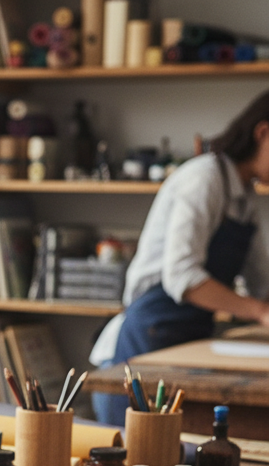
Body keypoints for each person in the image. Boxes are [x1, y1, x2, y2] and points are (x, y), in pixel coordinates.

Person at [90, 89, 269, 426]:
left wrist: (263, 304)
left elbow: (262, 282)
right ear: (263, 133)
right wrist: (259, 311)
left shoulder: (244, 199)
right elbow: (182, 278)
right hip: (148, 338)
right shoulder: (203, 178)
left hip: (190, 341)